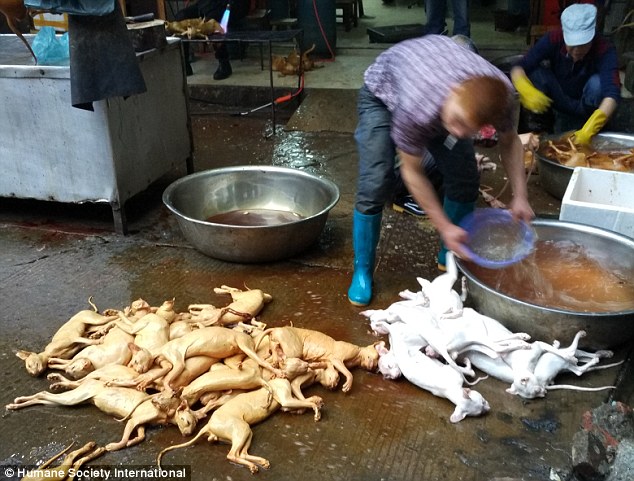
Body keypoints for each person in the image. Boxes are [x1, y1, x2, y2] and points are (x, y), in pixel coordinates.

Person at [347, 35, 534, 307]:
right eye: (457, 123)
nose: (457, 133)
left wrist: (521, 196)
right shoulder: (418, 107)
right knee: (377, 179)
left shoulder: (499, 95)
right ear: (454, 91)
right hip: (383, 92)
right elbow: (412, 172)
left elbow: (510, 140)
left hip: (443, 95)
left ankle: (451, 254)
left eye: (468, 128)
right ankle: (362, 270)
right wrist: (443, 226)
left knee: (465, 175)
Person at [510, 3, 620, 143]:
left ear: (592, 37)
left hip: (587, 106)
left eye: (583, 44)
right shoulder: (553, 38)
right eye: (572, 45)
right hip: (559, 99)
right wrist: (525, 89)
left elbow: (612, 95)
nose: (576, 51)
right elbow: (519, 67)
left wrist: (590, 128)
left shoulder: (604, 48)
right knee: (536, 73)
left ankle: (588, 126)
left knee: (597, 84)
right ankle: (542, 130)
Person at [175, 0, 250, 80]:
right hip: (208, 5)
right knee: (181, 16)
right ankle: (185, 64)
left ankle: (224, 63)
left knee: (212, 18)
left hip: (231, 5)